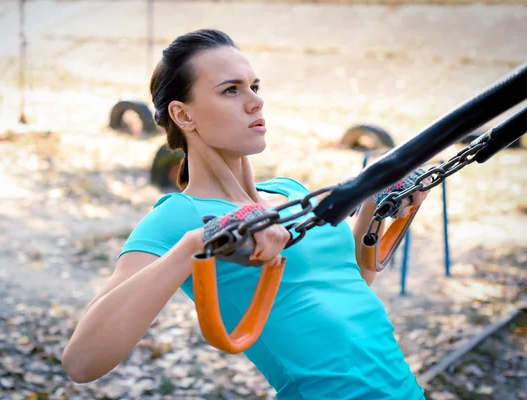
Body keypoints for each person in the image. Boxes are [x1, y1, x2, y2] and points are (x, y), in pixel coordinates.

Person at [62, 29, 430, 399]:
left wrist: (376, 205)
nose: (255, 102)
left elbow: (343, 287)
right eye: (231, 90)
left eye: (254, 86)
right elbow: (81, 361)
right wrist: (198, 243)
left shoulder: (290, 191)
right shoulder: (183, 216)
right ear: (183, 114)